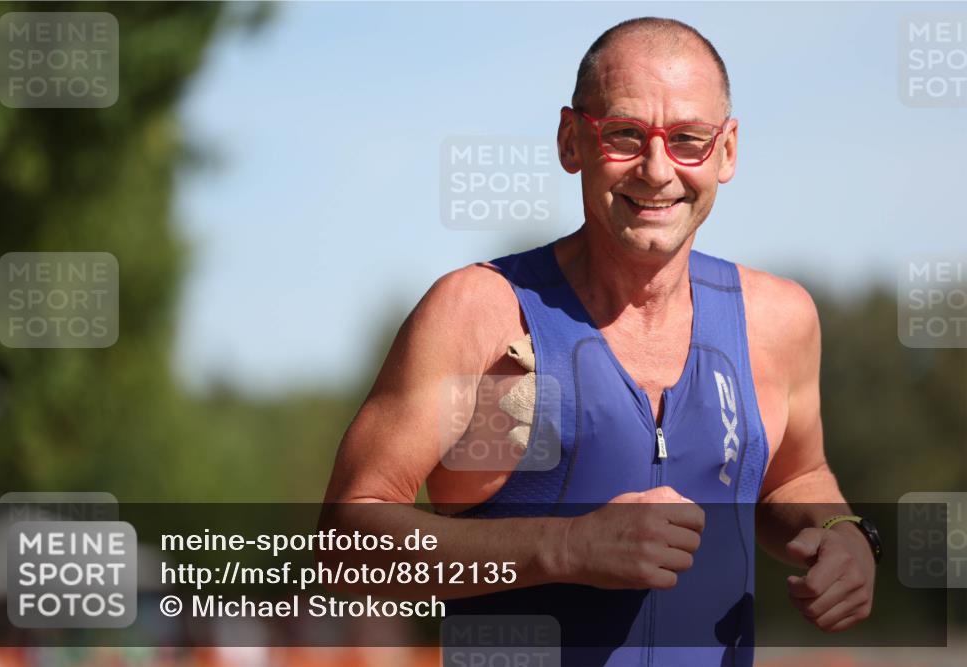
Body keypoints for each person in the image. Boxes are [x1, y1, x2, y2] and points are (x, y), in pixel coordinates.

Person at [321, 16, 878, 666]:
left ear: (727, 151)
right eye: (624, 135)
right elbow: (345, 546)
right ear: (570, 141)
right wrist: (567, 547)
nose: (657, 169)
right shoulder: (480, 312)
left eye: (689, 140)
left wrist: (841, 532)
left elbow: (794, 476)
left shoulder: (778, 320)